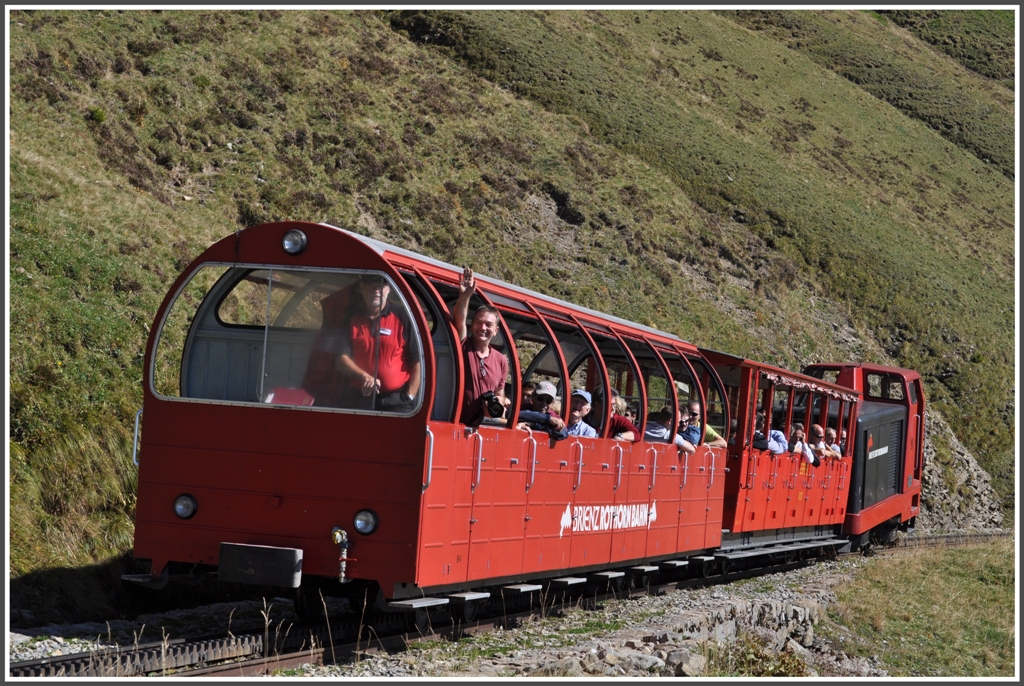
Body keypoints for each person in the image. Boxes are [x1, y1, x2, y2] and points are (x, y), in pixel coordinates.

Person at [336, 273, 421, 411]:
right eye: (370, 286)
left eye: (381, 286)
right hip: (359, 399)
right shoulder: (351, 318)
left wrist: (409, 396)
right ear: (361, 288)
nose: (376, 290)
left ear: (389, 289)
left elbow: (418, 360)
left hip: (396, 401)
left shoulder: (403, 317)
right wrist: (363, 376)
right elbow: (340, 359)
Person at [453, 267, 510, 425]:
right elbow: (458, 321)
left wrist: (499, 401)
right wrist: (465, 297)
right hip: (456, 422)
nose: (483, 328)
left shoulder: (500, 360)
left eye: (488, 325)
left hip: (484, 426)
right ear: (472, 325)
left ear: (496, 331)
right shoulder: (463, 344)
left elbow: (499, 391)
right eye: (478, 322)